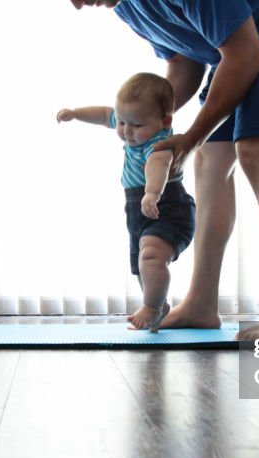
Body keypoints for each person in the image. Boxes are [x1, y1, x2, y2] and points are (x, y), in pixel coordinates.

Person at [69, 0, 259, 341]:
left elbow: (245, 55)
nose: (77, 5)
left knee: (256, 150)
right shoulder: (126, 6)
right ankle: (201, 303)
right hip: (243, 45)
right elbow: (184, 61)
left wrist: (191, 136)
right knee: (210, 158)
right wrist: (146, 120)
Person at [57, 73, 196, 332]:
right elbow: (104, 114)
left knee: (152, 256)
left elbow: (159, 166)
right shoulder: (132, 125)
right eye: (121, 123)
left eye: (135, 125)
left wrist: (152, 193)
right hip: (137, 208)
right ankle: (157, 305)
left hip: (167, 206)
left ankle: (152, 308)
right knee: (142, 266)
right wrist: (76, 113)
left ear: (165, 121)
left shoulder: (159, 143)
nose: (126, 131)